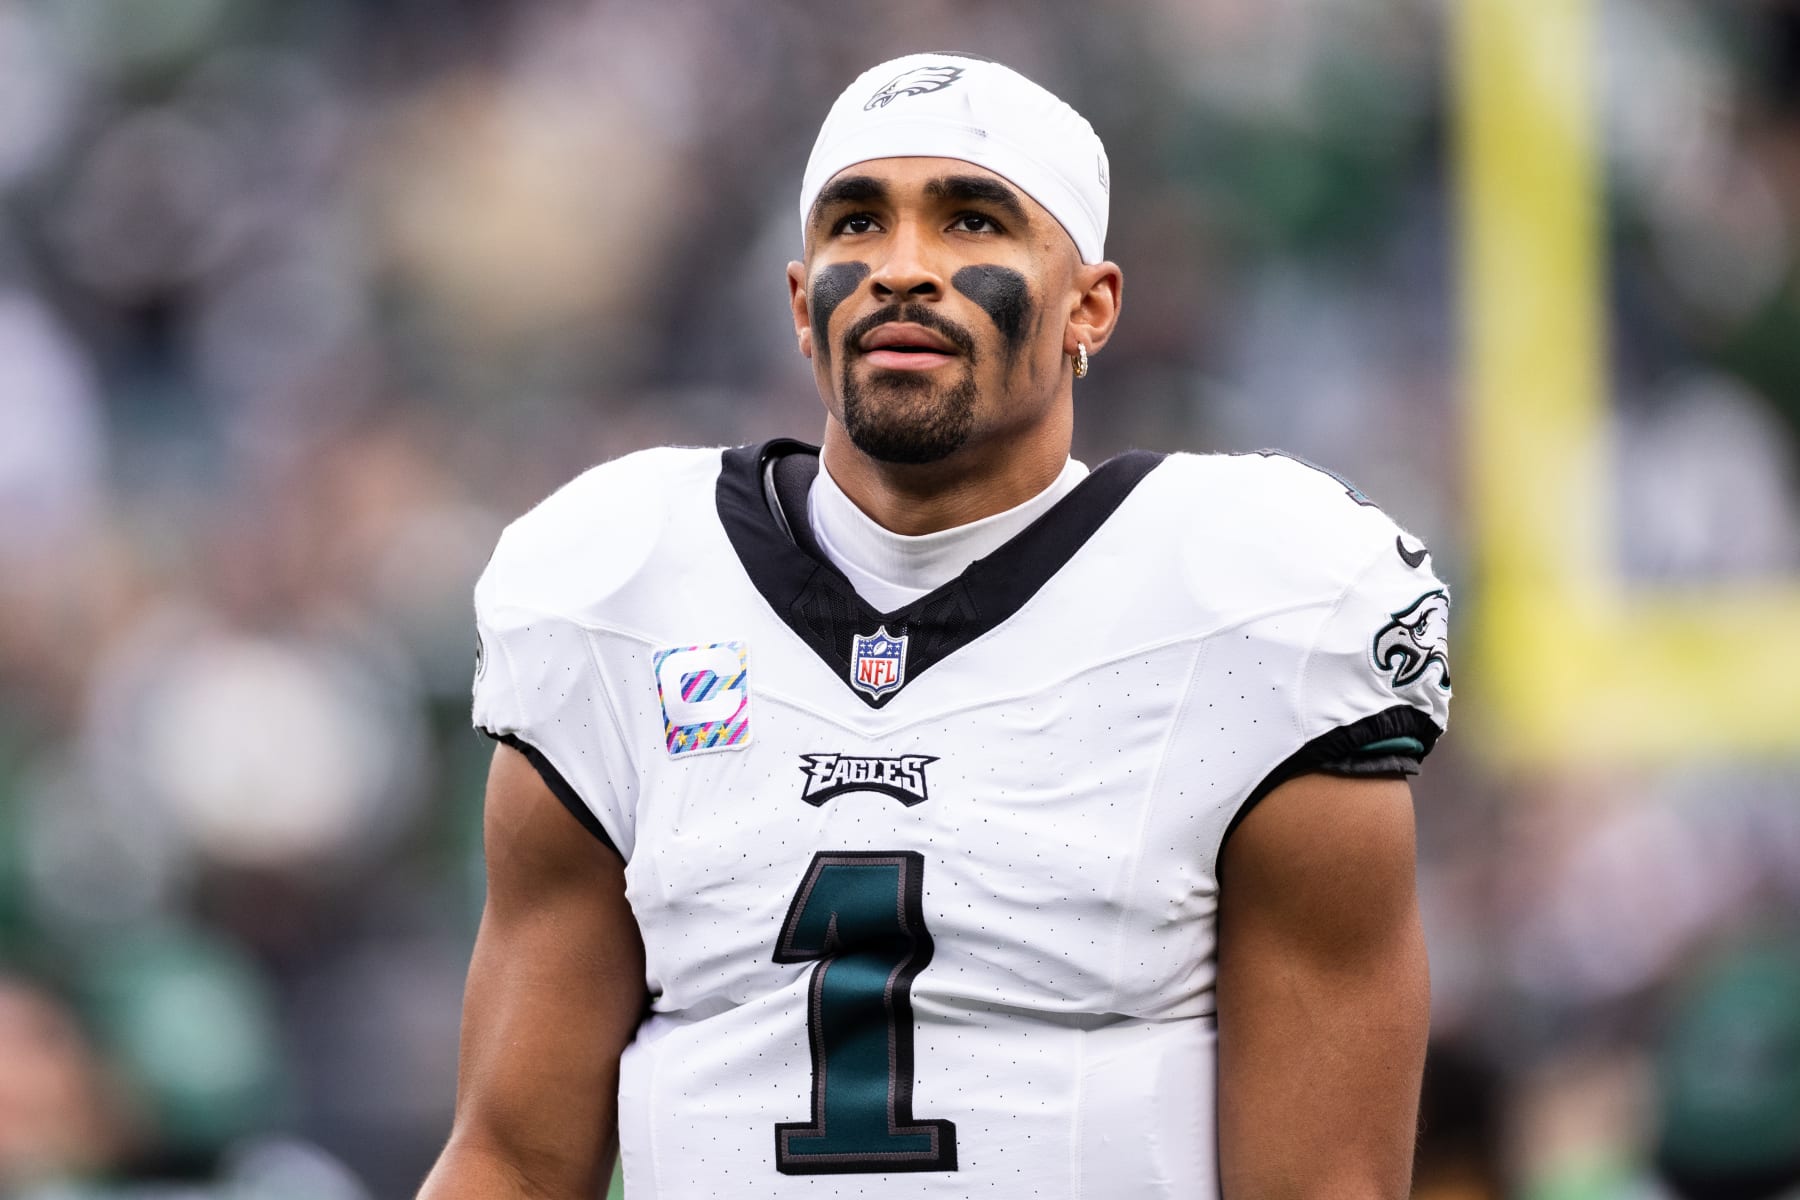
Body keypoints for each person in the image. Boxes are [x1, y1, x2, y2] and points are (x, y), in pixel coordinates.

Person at [418, 51, 1450, 1200]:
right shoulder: (621, 587)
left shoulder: (1254, 608)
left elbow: (1327, 1187)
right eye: (859, 222)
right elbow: (511, 1157)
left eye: (972, 223)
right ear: (801, 303)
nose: (901, 268)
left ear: (1089, 308)